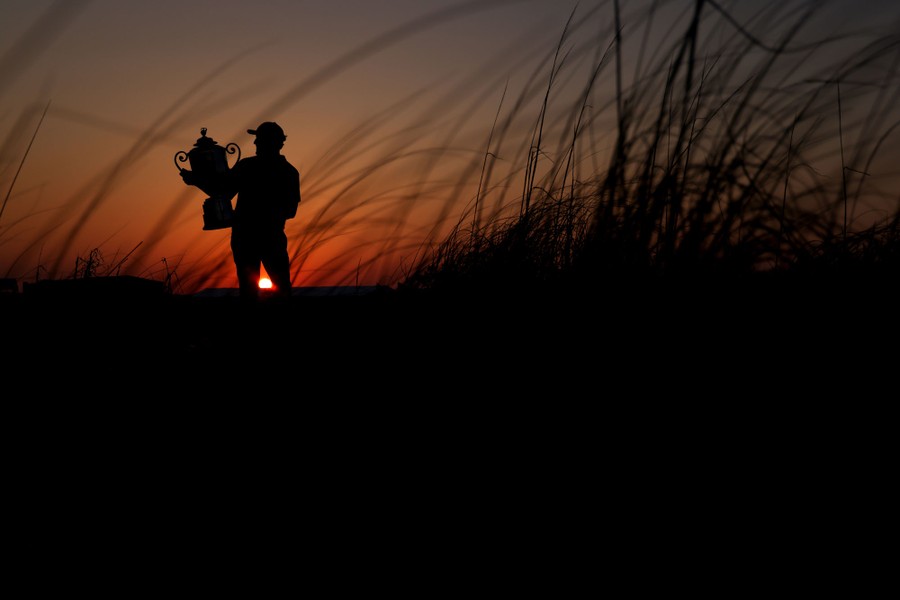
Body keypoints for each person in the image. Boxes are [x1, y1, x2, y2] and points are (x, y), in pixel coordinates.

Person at [181, 121, 301, 303]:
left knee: (252, 293)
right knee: (280, 291)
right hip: (269, 238)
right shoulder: (289, 172)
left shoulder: (248, 167)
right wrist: (196, 180)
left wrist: (196, 180)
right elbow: (290, 211)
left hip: (248, 238)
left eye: (259, 140)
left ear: (274, 143)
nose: (255, 144)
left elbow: (223, 192)